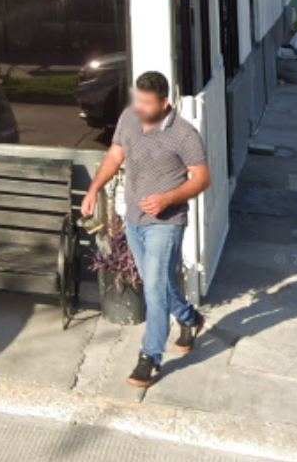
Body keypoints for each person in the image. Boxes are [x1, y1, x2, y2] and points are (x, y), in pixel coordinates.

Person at [80, 70, 211, 388]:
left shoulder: (184, 134)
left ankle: (150, 357)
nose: (139, 106)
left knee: (153, 288)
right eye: (137, 99)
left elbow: (202, 178)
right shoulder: (129, 117)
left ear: (165, 103)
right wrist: (94, 188)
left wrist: (168, 199)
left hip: (166, 224)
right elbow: (115, 155)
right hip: (135, 219)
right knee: (159, 282)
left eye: (146, 102)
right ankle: (190, 318)